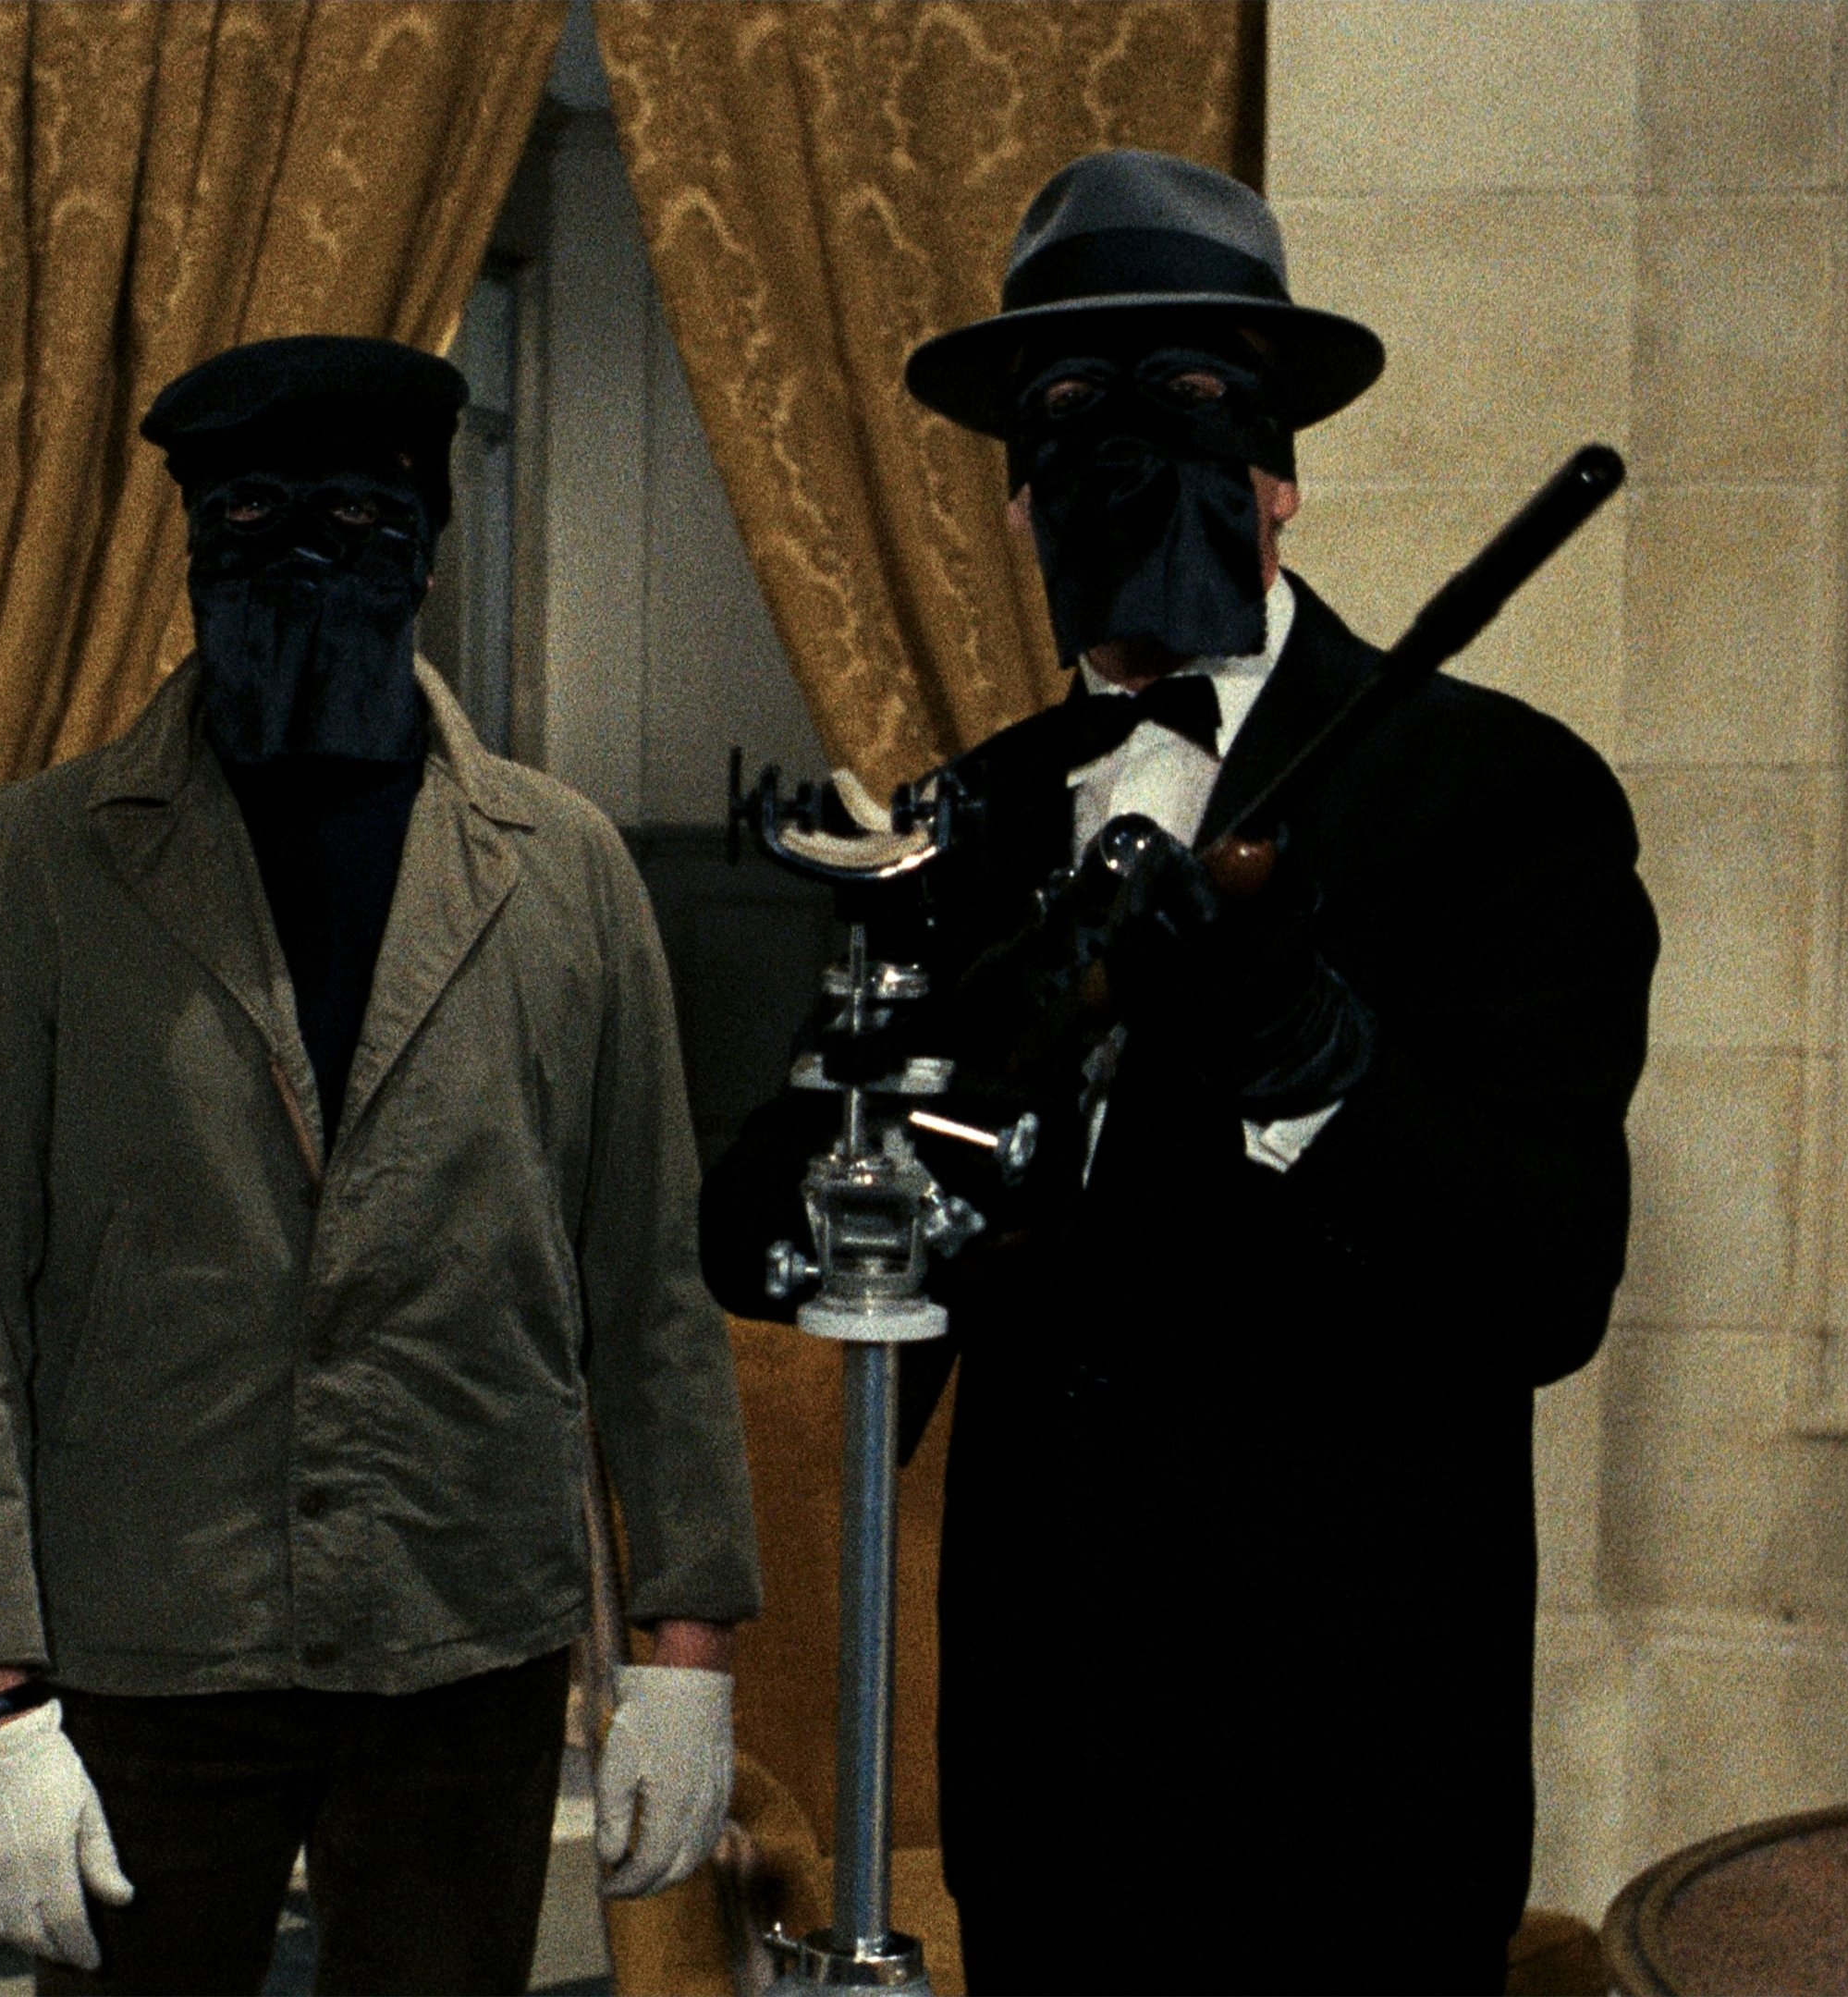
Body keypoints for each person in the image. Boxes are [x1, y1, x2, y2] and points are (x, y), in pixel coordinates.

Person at [711, 151, 1655, 1993]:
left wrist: (1303, 1051)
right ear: (1014, 497)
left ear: (1280, 470)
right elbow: (769, 1235)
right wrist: (915, 1106)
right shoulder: (973, 819)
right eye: (1066, 416)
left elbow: (1545, 1283)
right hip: (1055, 1776)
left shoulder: (1498, 794)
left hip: (1362, 1771)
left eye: (1189, 400)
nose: (1120, 462)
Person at [0, 335, 764, 1997]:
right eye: (250, 517)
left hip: (461, 1630)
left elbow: (649, 1281)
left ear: (427, 544)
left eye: (353, 519)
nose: (300, 560)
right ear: (192, 545)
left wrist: (687, 1644)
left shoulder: (564, 874)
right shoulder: (31, 869)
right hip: (150, 1634)